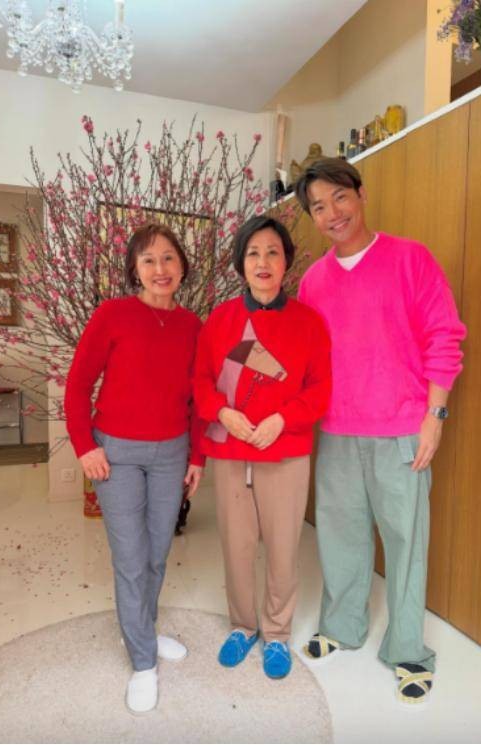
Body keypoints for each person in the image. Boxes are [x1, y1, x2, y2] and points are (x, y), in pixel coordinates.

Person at [294, 158, 466, 704]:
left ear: (361, 194)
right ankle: (342, 626)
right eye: (318, 207)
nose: (332, 213)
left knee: (406, 543)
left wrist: (434, 417)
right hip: (337, 432)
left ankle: (409, 650)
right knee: (340, 538)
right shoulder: (313, 282)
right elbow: (302, 358)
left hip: (402, 431)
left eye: (339, 198)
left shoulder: (411, 259)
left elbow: (444, 337)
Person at [64, 223, 203, 715]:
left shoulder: (192, 326)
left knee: (157, 554)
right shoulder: (113, 315)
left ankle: (143, 628)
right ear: (134, 270)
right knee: (131, 557)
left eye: (168, 258)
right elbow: (78, 385)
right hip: (116, 454)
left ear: (181, 265)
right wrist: (85, 446)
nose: (160, 269)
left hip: (172, 453)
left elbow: (198, 398)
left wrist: (198, 457)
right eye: (148, 260)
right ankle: (143, 662)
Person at [194, 215, 331, 679]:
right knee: (236, 546)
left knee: (283, 549)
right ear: (241, 264)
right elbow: (200, 381)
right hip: (232, 454)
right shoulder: (220, 320)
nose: (263, 261)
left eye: (273, 252)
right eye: (253, 253)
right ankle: (242, 626)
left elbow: (320, 388)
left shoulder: (309, 323)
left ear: (286, 261)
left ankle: (276, 633)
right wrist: (222, 412)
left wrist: (282, 420)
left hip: (285, 452)